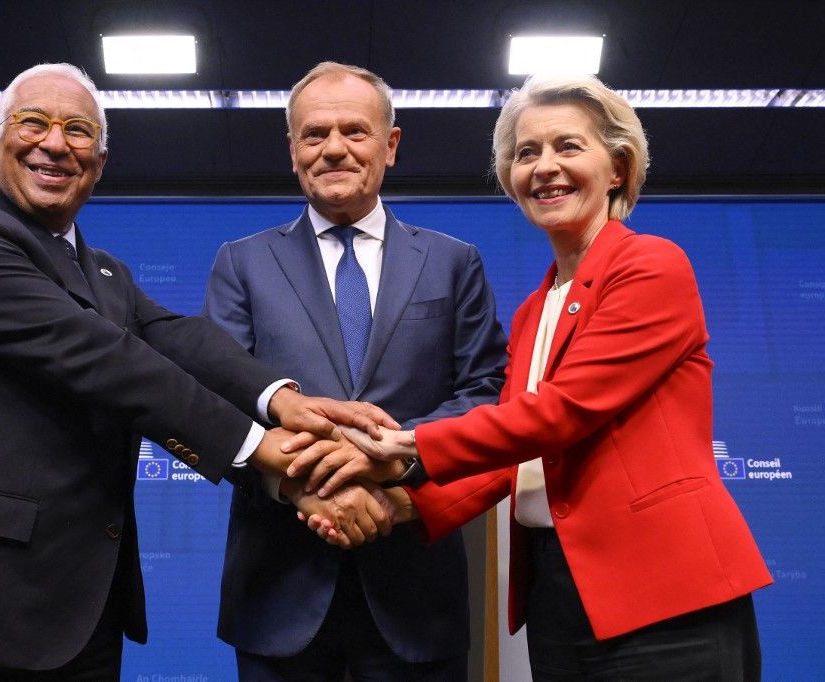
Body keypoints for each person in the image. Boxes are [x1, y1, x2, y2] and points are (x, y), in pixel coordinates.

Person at [0, 62, 395, 681]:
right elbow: (110, 363)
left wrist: (285, 401)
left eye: (79, 131)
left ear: (98, 164)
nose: (54, 142)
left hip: (77, 619)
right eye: (33, 122)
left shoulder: (104, 273)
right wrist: (275, 457)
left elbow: (180, 341)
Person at [296, 74, 773, 680]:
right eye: (526, 153)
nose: (545, 167)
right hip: (560, 593)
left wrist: (402, 446)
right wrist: (397, 507)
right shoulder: (533, 311)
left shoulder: (651, 265)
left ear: (619, 168)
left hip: (665, 594)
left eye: (568, 147)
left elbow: (563, 413)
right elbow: (512, 459)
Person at [203, 61, 507, 681]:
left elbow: (485, 393)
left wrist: (391, 460)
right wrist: (310, 483)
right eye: (314, 135)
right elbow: (217, 400)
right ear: (293, 152)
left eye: (355, 132)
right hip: (277, 593)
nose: (334, 148)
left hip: (418, 596)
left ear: (390, 145)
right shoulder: (240, 264)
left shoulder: (454, 263)